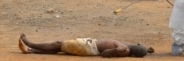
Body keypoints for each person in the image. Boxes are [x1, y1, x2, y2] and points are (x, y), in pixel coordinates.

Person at [18, 33, 154, 57]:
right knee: (60, 49)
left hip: (90, 47)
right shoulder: (127, 48)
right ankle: (30, 50)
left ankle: (30, 44)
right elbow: (142, 50)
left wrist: (116, 51)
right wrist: (148, 50)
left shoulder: (124, 49)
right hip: (90, 45)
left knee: (59, 44)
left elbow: (105, 54)